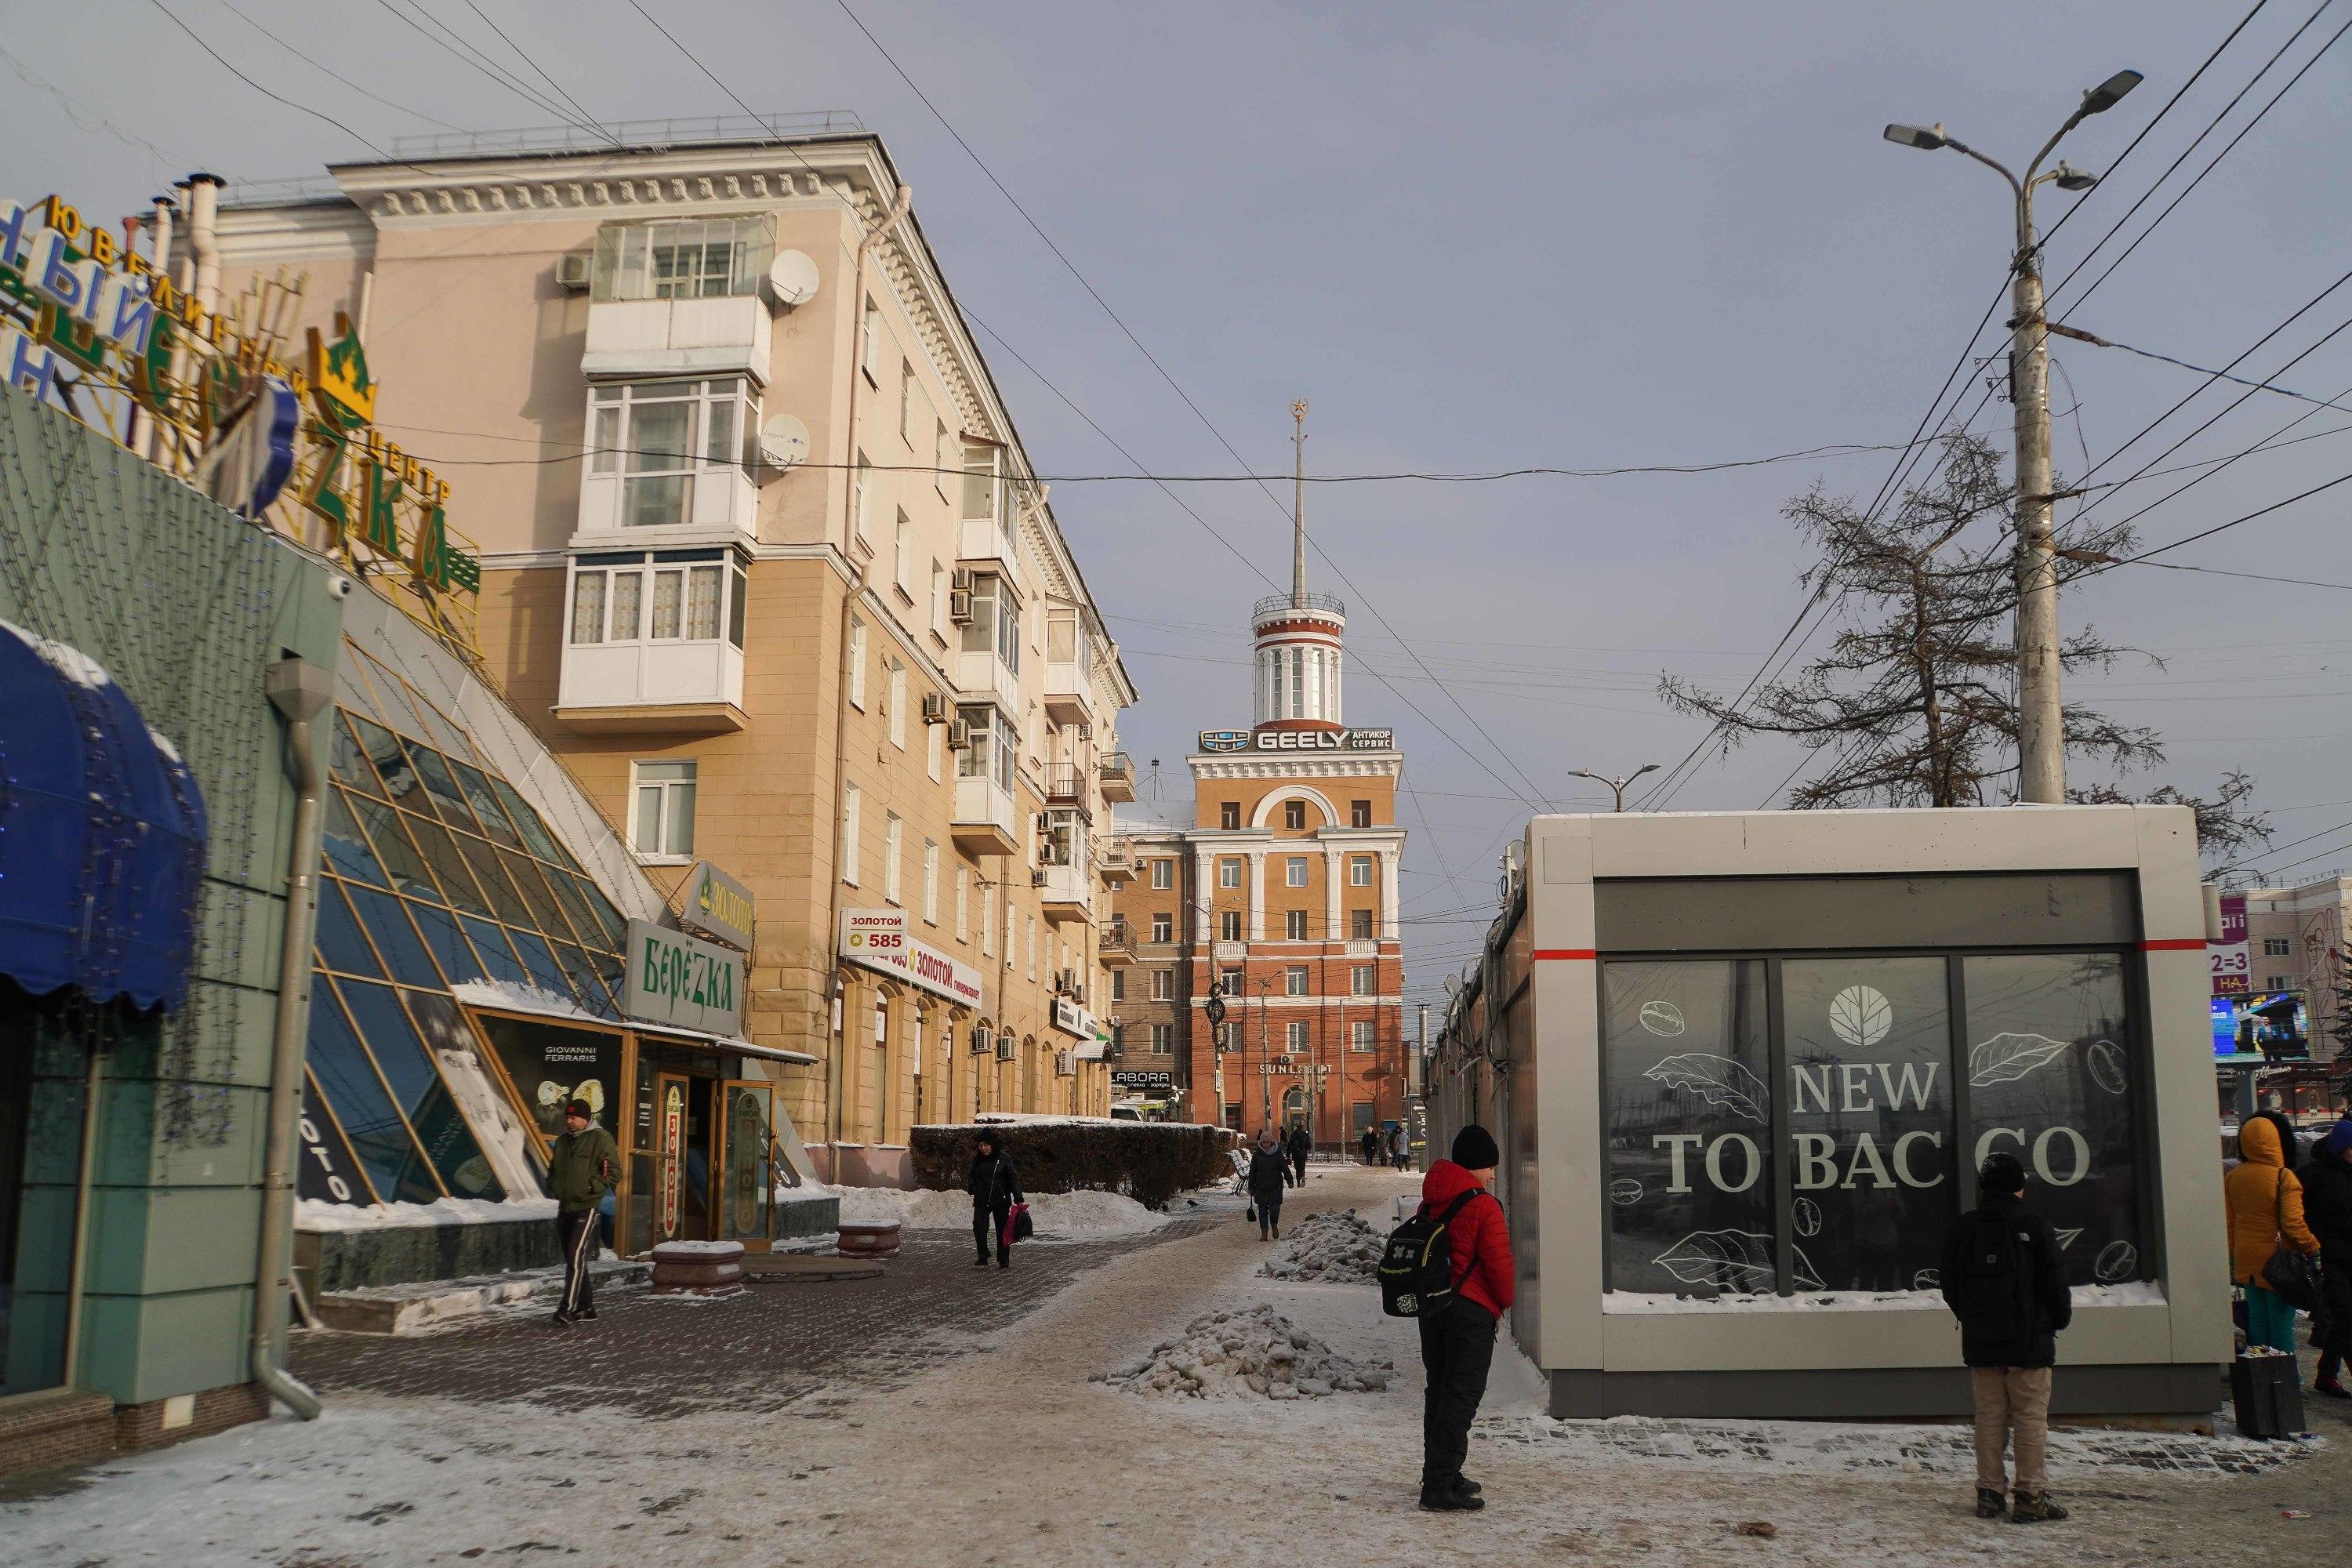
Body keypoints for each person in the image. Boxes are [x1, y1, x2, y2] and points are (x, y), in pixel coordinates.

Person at [1940, 1151, 2074, 1523]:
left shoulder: (1963, 1228)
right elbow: (2054, 1282)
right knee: (2030, 1416)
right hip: (2030, 1339)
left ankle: (1989, 1494)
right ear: (2019, 1187)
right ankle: (2030, 1496)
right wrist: (2057, 1321)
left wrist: (1971, 1317)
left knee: (1989, 1416)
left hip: (1982, 1341)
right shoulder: (2034, 1224)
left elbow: (1949, 1283)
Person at [1416, 1124, 1515, 1512]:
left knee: (1439, 1393)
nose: (1493, 1173)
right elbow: (1499, 1267)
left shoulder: (1432, 1201)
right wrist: (1504, 1303)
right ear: (1475, 1165)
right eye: (1490, 1165)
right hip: (1470, 1313)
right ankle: (1439, 1487)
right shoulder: (1483, 1206)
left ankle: (1443, 1472)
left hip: (1435, 1308)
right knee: (1460, 1398)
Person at [2225, 1114, 2321, 1356]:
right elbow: (2293, 1225)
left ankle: (2262, 1382)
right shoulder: (2283, 1177)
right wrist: (2313, 1247)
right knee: (2280, 1325)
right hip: (2279, 1262)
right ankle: (2288, 1382)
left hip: (2247, 1259)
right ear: (2275, 1141)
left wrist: (2233, 1255)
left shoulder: (2234, 1177)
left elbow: (2230, 1223)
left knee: (2257, 1322)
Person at [547, 1098, 618, 1327]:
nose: (569, 1121)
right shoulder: (563, 1141)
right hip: (565, 1205)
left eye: (573, 1117)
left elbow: (613, 1173)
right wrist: (554, 1186)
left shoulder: (601, 1139)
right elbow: (554, 1169)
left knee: (575, 1254)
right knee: (572, 1256)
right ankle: (587, 1307)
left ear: (586, 1119)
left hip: (586, 1206)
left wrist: (589, 1189)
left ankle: (566, 1308)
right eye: (567, 1117)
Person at [2299, 1118, 2352, 1399]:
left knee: (2343, 1321)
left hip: (2345, 1257)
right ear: (2340, 1147)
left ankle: (2327, 1374)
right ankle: (2328, 1375)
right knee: (2346, 1317)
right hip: (2329, 1259)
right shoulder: (2313, 1176)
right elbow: (2298, 1214)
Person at [967, 1129, 1022, 1270]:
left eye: (986, 1145)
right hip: (982, 1200)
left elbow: (1013, 1178)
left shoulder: (1003, 1158)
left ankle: (1003, 1259)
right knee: (979, 1227)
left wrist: (1018, 1197)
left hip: (1001, 1200)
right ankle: (983, 1256)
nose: (983, 1148)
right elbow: (972, 1175)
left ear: (992, 1145)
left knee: (1002, 1230)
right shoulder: (977, 1159)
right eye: (980, 1145)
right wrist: (971, 1186)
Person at [1247, 1127, 1290, 1241]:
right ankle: (1264, 1232)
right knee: (1262, 1211)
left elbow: (1284, 1168)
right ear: (1261, 1143)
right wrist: (1251, 1187)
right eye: (1264, 1142)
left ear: (1271, 1142)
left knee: (1275, 1208)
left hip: (1275, 1186)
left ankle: (1274, 1225)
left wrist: (1289, 1180)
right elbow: (1252, 1172)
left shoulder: (1278, 1155)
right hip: (1260, 1187)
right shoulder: (1256, 1156)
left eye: (1268, 1142)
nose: (1266, 1144)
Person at [1287, 1121, 1312, 1187]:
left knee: (1297, 1168)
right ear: (1302, 1128)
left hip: (1295, 1154)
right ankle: (1303, 1177)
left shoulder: (1293, 1135)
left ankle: (1298, 1182)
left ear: (1296, 1128)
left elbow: (1289, 1145)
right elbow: (1309, 1146)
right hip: (1303, 1154)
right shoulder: (1306, 1135)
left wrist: (1288, 1155)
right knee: (1302, 1167)